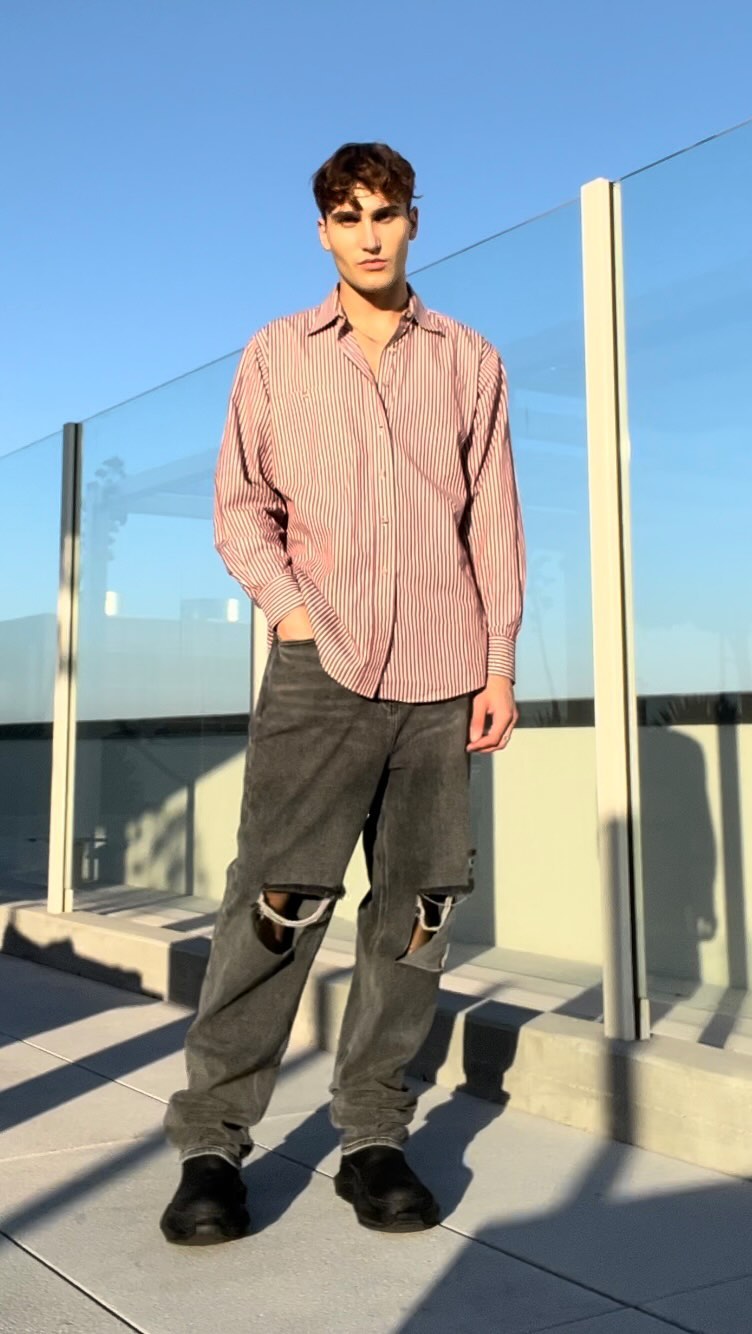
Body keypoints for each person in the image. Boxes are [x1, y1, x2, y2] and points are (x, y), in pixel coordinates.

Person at [160, 141, 525, 1245]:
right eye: (348, 215)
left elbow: (492, 521)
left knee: (415, 916)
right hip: (321, 670)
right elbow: (240, 506)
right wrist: (291, 613)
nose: (369, 233)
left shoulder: (470, 359)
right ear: (321, 231)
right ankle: (213, 1144)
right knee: (274, 907)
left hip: (441, 677)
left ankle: (372, 1137)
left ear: (415, 221)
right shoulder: (276, 353)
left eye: (386, 212)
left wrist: (498, 661)